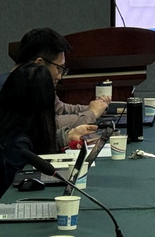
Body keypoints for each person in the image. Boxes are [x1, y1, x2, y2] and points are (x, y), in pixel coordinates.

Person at [0, 63, 97, 193]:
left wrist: (66, 136)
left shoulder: (14, 128)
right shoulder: (17, 144)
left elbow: (36, 142)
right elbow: (15, 187)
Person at [0, 28, 110, 132]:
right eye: (59, 68)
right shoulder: (15, 89)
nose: (60, 77)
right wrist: (92, 114)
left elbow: (59, 108)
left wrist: (94, 107)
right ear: (39, 64)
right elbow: (49, 124)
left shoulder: (33, 81)